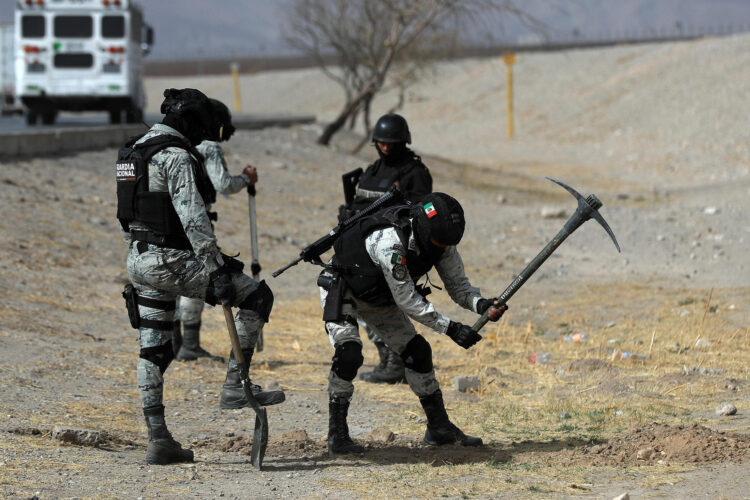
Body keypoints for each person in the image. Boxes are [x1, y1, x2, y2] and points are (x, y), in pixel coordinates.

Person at [117, 88, 284, 465]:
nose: (202, 138)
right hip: (173, 259)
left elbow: (125, 215)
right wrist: (216, 269)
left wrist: (140, 256)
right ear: (189, 122)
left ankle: (158, 439)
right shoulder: (176, 157)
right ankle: (234, 387)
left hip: (139, 260)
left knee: (154, 349)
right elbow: (194, 220)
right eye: (202, 129)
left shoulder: (133, 151)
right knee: (258, 297)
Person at [318, 192, 507, 455]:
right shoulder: (389, 244)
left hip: (380, 297)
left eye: (446, 244)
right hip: (344, 289)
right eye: (437, 243)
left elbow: (459, 286)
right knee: (349, 353)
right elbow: (407, 300)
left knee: (418, 352)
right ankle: (337, 434)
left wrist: (482, 304)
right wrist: (451, 328)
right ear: (422, 227)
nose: (441, 249)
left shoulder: (441, 240)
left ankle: (439, 428)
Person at [340, 113, 433, 385]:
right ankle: (388, 359)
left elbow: (420, 214)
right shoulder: (373, 171)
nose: (385, 147)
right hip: (360, 248)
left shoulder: (415, 173)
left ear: (403, 142)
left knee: (387, 307)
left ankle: (396, 363)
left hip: (392, 250)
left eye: (390, 143)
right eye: (381, 142)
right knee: (360, 304)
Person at [173, 98, 258, 362]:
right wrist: (246, 178)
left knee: (173, 282)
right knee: (194, 281)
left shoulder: (176, 144)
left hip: (171, 221)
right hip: (197, 222)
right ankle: (189, 345)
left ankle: (175, 343)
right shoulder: (208, 147)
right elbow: (223, 184)